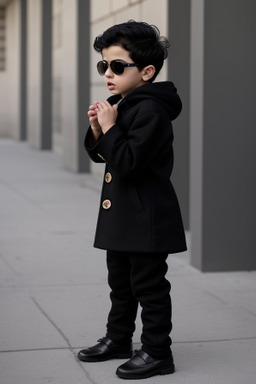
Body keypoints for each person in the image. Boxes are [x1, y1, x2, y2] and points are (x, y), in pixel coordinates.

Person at [77, 20, 187, 380]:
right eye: (104, 65)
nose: (108, 73)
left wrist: (109, 128)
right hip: (124, 216)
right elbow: (107, 156)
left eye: (118, 66)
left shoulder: (151, 110)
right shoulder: (121, 104)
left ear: (146, 72)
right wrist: (98, 131)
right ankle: (119, 338)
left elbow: (129, 162)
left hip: (146, 218)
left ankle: (157, 352)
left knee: (149, 288)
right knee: (120, 284)